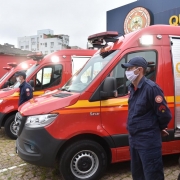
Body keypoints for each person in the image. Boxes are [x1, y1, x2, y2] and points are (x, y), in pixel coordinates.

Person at [121, 57, 172, 180]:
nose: (127, 71)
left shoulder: (151, 88)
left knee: (152, 175)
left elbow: (164, 114)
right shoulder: (132, 88)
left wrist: (158, 128)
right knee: (138, 175)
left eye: (129, 68)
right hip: (134, 140)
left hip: (148, 142)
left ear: (139, 70)